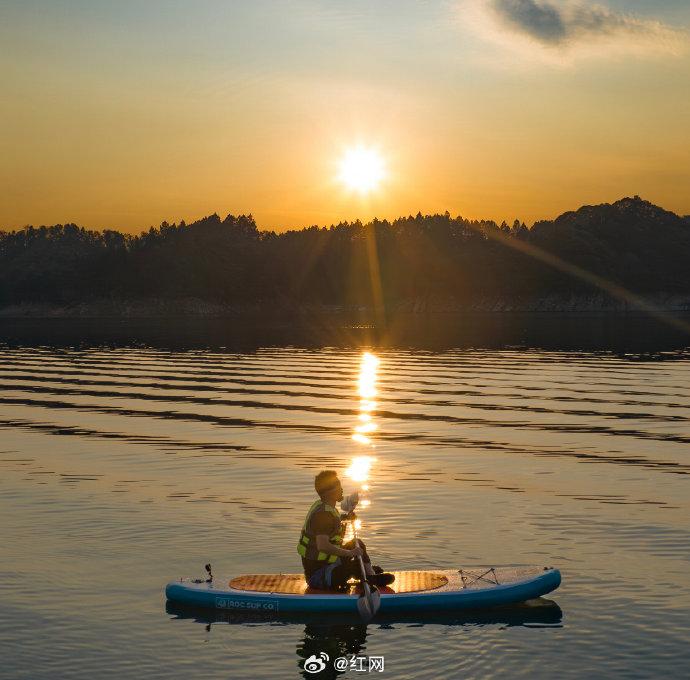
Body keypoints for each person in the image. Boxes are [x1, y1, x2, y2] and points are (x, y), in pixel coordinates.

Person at [297, 469, 395, 591]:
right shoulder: (323, 515)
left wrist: (346, 518)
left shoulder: (325, 507)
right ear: (329, 492)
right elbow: (323, 546)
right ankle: (364, 574)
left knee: (357, 542)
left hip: (330, 563)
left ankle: (370, 575)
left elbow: (330, 525)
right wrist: (350, 553)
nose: (341, 489)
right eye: (338, 485)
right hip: (319, 576)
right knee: (352, 566)